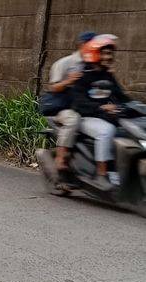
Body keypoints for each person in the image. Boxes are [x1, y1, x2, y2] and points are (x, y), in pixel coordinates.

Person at [70, 34, 129, 189]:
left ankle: (119, 171)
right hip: (86, 118)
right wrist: (100, 107)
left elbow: (122, 97)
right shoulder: (83, 75)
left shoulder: (108, 75)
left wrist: (136, 105)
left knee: (127, 133)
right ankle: (102, 174)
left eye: (110, 53)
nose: (109, 57)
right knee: (106, 131)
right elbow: (79, 102)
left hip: (105, 117)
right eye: (105, 53)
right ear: (95, 53)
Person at [47, 31, 97, 171]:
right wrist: (69, 81)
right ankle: (60, 157)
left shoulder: (94, 65)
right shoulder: (64, 63)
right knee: (73, 119)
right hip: (63, 108)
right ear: (82, 45)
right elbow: (53, 87)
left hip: (86, 107)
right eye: (93, 44)